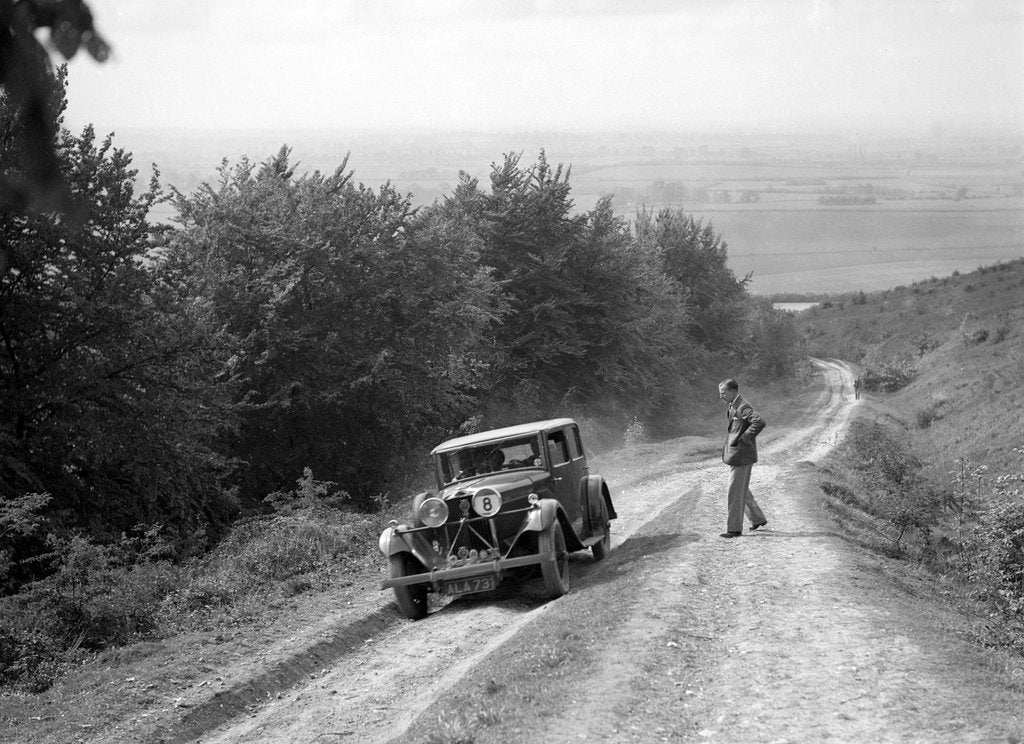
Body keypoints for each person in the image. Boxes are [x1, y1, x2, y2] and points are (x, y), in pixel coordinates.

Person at [718, 378, 768, 538]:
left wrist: (746, 437)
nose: (721, 396)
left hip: (742, 456)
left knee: (734, 492)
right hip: (738, 455)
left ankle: (734, 529)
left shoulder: (743, 406)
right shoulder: (733, 405)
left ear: (733, 391)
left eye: (723, 393)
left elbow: (759, 421)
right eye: (720, 393)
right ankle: (757, 518)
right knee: (742, 489)